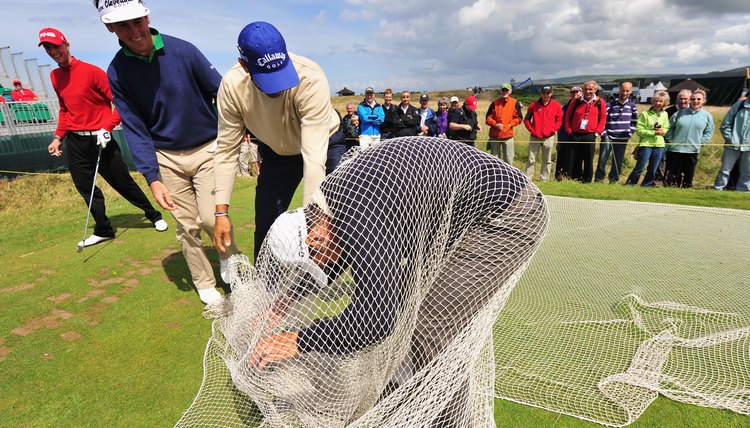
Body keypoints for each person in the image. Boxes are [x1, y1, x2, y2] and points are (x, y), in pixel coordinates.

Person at [243, 136, 548, 426]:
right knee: (404, 306)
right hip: (462, 218)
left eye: (315, 258)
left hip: (507, 217)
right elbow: (337, 256)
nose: (324, 267)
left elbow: (374, 322)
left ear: (314, 234)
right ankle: (403, 396)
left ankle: (451, 423)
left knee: (430, 328)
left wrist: (296, 340)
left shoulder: (357, 214)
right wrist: (288, 300)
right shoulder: (332, 203)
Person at [97, 0, 236, 306]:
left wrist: (236, 132)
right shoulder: (116, 72)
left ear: (147, 16)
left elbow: (221, 91)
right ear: (110, 28)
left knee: (213, 217)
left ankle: (230, 261)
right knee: (186, 225)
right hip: (166, 158)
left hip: (207, 148)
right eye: (123, 25)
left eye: (137, 21)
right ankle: (204, 284)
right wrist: (152, 178)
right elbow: (134, 127)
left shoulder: (183, 50)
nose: (135, 32)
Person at [212, 21, 339, 261]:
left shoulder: (310, 75)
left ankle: (360, 281)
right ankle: (266, 290)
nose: (278, 87)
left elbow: (313, 158)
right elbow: (226, 151)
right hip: (278, 153)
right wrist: (221, 212)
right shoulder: (231, 86)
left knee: (347, 212)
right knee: (266, 226)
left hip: (325, 144)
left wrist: (316, 221)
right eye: (268, 78)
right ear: (244, 66)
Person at [40, 26, 167, 248]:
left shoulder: (93, 72)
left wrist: (107, 127)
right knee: (84, 186)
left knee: (122, 182)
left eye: (56, 46)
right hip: (76, 140)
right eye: (48, 48)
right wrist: (58, 137)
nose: (53, 51)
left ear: (66, 45)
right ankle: (103, 229)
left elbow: (120, 103)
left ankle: (153, 215)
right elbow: (64, 109)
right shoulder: (54, 76)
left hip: (101, 139)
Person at [664, 89, 714, 188]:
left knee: (688, 174)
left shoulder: (707, 116)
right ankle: (671, 190)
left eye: (699, 99)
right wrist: (670, 139)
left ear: (703, 101)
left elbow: (709, 131)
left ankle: (686, 189)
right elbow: (669, 127)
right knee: (673, 175)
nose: (696, 101)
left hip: (692, 150)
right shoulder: (679, 113)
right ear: (690, 100)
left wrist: (701, 142)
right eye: (693, 99)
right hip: (675, 149)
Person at [564, 80, 606, 182]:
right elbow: (568, 117)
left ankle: (587, 180)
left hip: (590, 134)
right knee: (574, 158)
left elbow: (603, 119)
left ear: (595, 90)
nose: (587, 91)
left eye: (590, 89)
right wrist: (569, 131)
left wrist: (596, 133)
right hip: (575, 134)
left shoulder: (600, 102)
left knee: (588, 159)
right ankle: (574, 178)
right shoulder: (576, 101)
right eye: (586, 89)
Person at [625, 91, 670, 187]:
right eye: (656, 101)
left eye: (660, 101)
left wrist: (663, 131)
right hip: (645, 144)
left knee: (653, 168)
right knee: (640, 167)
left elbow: (666, 127)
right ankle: (630, 184)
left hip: (659, 145)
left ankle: (646, 185)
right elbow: (639, 130)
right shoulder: (645, 114)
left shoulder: (665, 114)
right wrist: (653, 132)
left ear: (664, 103)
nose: (658, 103)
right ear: (653, 101)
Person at [596, 82, 638, 183]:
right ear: (619, 90)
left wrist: (629, 133)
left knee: (617, 162)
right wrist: (604, 133)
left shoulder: (632, 106)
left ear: (631, 91)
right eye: (623, 90)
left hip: (622, 139)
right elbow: (602, 120)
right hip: (608, 137)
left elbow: (634, 122)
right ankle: (599, 180)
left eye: (627, 91)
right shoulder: (610, 105)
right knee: (602, 160)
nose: (624, 92)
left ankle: (613, 180)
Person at [523, 86, 562, 181]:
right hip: (534, 136)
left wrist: (553, 130)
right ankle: (528, 179)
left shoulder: (556, 106)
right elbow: (527, 119)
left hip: (549, 137)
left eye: (548, 93)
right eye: (544, 93)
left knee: (547, 160)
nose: (546, 95)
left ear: (551, 93)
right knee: (531, 159)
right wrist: (532, 130)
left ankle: (544, 179)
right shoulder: (533, 105)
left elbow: (559, 120)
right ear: (541, 93)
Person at [713, 97, 750, 192]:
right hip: (732, 146)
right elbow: (725, 126)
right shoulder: (738, 106)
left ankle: (743, 192)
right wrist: (731, 140)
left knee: (747, 172)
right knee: (724, 170)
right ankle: (718, 189)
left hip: (749, 148)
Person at [486, 82, 522, 164]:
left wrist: (509, 125)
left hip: (508, 135)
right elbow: (488, 118)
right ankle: (495, 175)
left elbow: (519, 118)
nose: (504, 92)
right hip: (495, 135)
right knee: (494, 160)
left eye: (506, 90)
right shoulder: (494, 103)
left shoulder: (515, 103)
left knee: (508, 159)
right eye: (503, 90)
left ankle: (509, 176)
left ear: (510, 91)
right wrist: (495, 124)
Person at [555, 86, 582, 180]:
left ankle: (575, 177)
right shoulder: (565, 107)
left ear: (581, 93)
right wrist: (559, 140)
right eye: (573, 92)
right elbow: (560, 123)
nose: (575, 94)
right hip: (565, 137)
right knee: (562, 159)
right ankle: (560, 177)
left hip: (578, 137)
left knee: (575, 159)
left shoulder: (583, 105)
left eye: (577, 92)